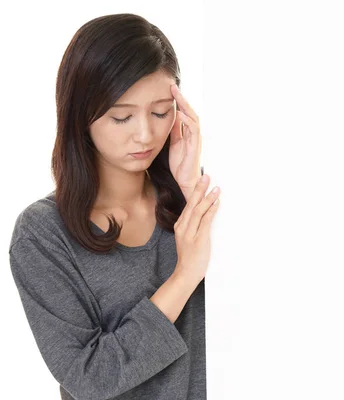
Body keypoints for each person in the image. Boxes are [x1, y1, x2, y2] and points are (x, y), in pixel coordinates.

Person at [7, 13, 220, 400]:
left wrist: (191, 190)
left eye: (159, 112)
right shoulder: (42, 234)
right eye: (121, 117)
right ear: (80, 116)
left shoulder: (196, 197)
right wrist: (183, 275)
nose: (145, 133)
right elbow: (90, 379)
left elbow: (253, 303)